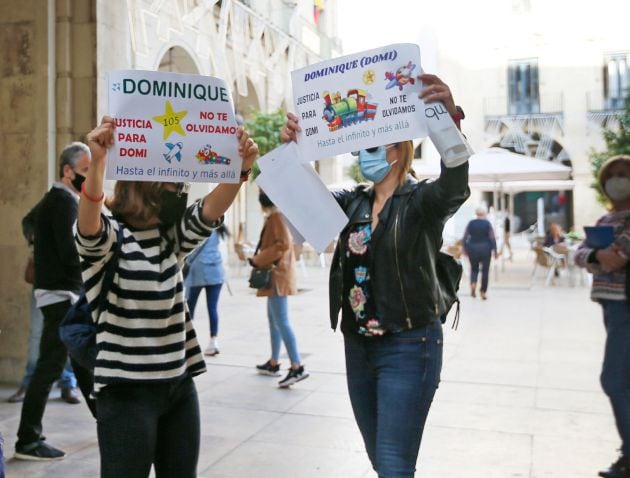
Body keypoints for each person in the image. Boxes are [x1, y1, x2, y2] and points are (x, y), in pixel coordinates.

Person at [280, 73, 470, 477]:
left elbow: (455, 182)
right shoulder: (352, 203)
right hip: (358, 346)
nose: (361, 156)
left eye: (370, 146)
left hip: (409, 343)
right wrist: (295, 152)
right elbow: (301, 209)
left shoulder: (422, 202)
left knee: (393, 463)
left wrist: (447, 118)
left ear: (398, 150)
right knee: (380, 458)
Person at [75, 116, 257, 478]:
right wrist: (98, 162)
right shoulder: (112, 240)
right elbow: (90, 224)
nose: (179, 190)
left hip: (178, 385)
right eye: (172, 183)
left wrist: (240, 167)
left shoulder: (169, 240)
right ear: (145, 187)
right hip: (126, 393)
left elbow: (211, 210)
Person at [14, 142, 97, 461]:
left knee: (82, 364)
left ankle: (108, 422)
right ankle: (27, 440)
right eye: (86, 171)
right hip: (60, 295)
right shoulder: (63, 202)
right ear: (67, 170)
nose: (90, 177)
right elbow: (70, 253)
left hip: (62, 294)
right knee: (51, 365)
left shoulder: (60, 200)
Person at [574, 155, 630, 478]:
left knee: (613, 379)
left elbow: (617, 258)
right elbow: (581, 254)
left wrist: (595, 256)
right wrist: (596, 255)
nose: (617, 180)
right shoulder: (606, 219)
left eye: (624, 174)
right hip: (609, 304)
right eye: (612, 175)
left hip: (626, 304)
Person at [9, 201, 81, 405]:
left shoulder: (81, 203)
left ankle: (68, 384)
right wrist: (40, 242)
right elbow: (28, 222)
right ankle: (28, 382)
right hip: (46, 279)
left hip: (70, 283)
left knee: (69, 336)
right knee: (36, 333)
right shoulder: (54, 201)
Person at [252, 192, 309, 388]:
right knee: (274, 320)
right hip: (277, 276)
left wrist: (258, 259)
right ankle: (274, 362)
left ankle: (297, 366)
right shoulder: (278, 216)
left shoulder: (277, 217)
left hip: (277, 276)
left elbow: (283, 244)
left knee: (281, 321)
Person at [184, 224, 229, 356]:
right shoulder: (218, 229)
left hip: (199, 271)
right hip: (216, 271)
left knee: (190, 307)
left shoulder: (198, 227)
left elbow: (190, 250)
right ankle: (213, 342)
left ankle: (186, 342)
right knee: (212, 308)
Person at [462, 207, 498, 300]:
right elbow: (492, 237)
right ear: (484, 214)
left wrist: (465, 249)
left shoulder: (471, 223)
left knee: (474, 269)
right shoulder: (487, 224)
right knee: (485, 271)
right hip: (486, 249)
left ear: (476, 214)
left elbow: (465, 237)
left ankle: (473, 284)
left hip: (472, 248)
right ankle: (483, 292)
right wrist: (495, 250)